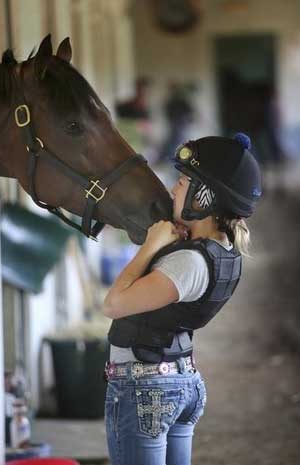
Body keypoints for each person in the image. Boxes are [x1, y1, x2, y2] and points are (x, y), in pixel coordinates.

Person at [102, 133, 262, 465]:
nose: (174, 189)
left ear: (204, 197)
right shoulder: (222, 252)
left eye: (183, 181)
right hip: (177, 381)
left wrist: (151, 244)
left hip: (147, 389)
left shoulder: (188, 263)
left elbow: (113, 304)